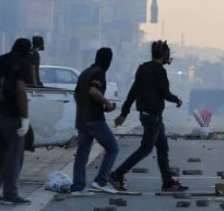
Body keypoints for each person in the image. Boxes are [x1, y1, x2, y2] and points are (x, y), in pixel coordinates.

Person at [109, 41, 188, 192]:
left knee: (162, 148)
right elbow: (165, 93)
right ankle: (117, 174)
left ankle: (167, 182)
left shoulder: (142, 68)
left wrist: (124, 113)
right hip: (153, 117)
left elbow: (133, 92)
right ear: (164, 54)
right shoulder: (159, 71)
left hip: (147, 116)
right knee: (146, 149)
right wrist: (177, 100)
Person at [0, 38, 33, 205]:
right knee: (13, 156)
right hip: (11, 115)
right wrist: (25, 118)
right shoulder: (22, 63)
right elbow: (20, 91)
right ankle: (10, 193)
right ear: (27, 51)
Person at [70, 48, 120, 196]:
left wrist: (81, 111)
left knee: (82, 153)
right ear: (108, 61)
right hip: (94, 119)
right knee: (112, 147)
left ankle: (78, 187)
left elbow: (76, 94)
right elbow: (93, 91)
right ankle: (101, 181)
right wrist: (107, 103)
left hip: (83, 119)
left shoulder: (85, 72)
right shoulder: (99, 73)